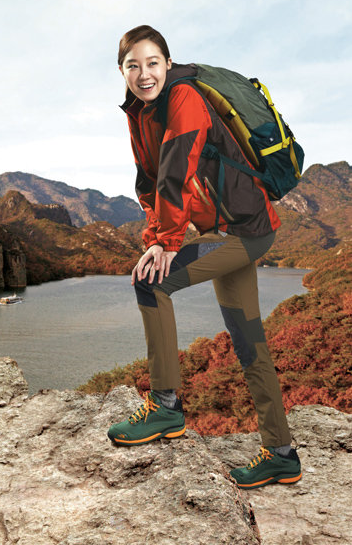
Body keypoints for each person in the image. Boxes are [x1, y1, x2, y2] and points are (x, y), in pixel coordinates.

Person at [107, 25, 302, 490]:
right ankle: (282, 454)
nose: (143, 72)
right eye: (133, 65)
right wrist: (156, 234)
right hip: (225, 231)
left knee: (152, 283)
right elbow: (148, 181)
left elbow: (177, 167)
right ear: (122, 71)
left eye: (152, 63)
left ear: (167, 64)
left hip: (247, 231)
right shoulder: (139, 112)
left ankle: (166, 407)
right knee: (247, 340)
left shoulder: (185, 99)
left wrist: (168, 242)